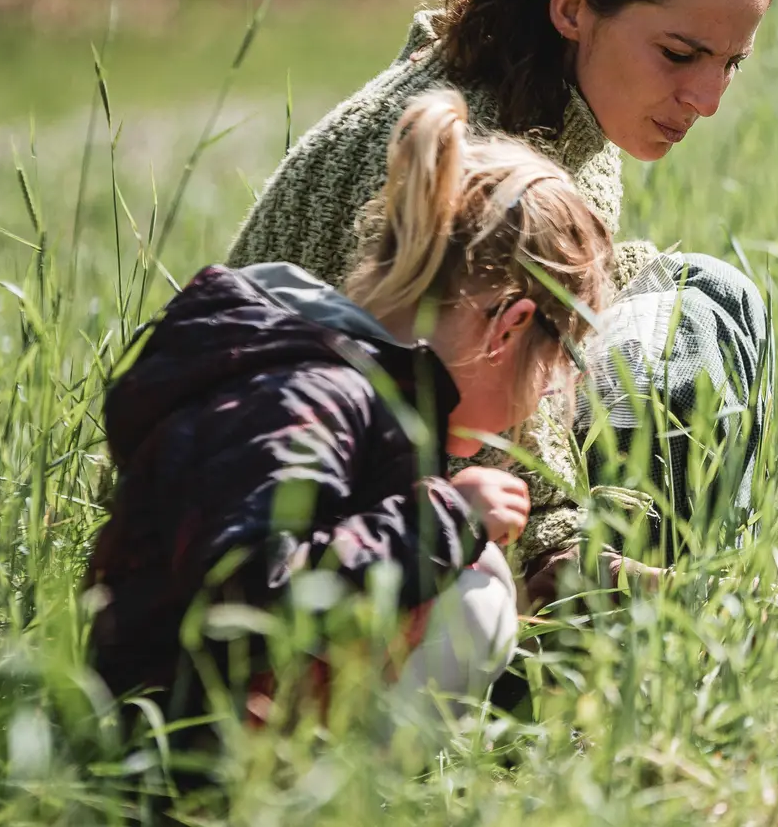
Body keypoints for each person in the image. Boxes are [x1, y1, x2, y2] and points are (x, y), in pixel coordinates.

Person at [224, 0, 774, 604]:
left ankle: (698, 593)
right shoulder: (484, 162)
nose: (707, 98)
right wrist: (575, 560)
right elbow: (494, 416)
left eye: (729, 64)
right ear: (573, 7)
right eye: (681, 53)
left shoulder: (553, 105)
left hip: (431, 469)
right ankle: (638, 621)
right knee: (684, 318)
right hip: (321, 532)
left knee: (706, 291)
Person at [85, 91, 612, 765]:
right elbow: (249, 584)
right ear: (509, 328)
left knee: (465, 568)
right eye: (559, 364)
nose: (550, 395)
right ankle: (330, 799)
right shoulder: (311, 394)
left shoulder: (355, 390)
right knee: (474, 592)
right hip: (179, 750)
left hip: (197, 715)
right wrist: (443, 519)